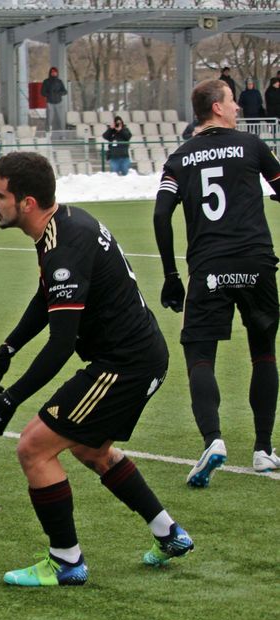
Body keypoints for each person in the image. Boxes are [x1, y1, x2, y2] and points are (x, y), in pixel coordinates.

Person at [0, 151, 193, 587]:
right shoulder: (63, 226)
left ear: (28, 202)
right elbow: (49, 297)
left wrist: (9, 400)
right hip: (134, 356)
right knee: (90, 450)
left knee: (34, 448)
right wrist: (9, 347)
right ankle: (169, 533)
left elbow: (60, 344)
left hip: (125, 364)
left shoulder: (63, 245)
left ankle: (66, 561)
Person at [153, 79, 280, 484]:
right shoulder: (252, 147)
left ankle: (213, 440)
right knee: (263, 352)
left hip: (209, 267)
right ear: (218, 107)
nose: (239, 107)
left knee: (199, 353)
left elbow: (160, 215)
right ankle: (263, 450)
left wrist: (172, 275)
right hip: (257, 262)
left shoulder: (179, 157)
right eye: (233, 101)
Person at [41, 67, 68, 132]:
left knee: (61, 119)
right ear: (50, 73)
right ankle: (47, 134)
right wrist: (49, 94)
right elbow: (42, 92)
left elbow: (65, 91)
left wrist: (59, 93)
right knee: (49, 119)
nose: (54, 73)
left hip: (59, 102)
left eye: (55, 72)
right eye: (52, 72)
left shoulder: (59, 81)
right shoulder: (46, 81)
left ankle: (62, 134)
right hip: (50, 103)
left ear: (57, 73)